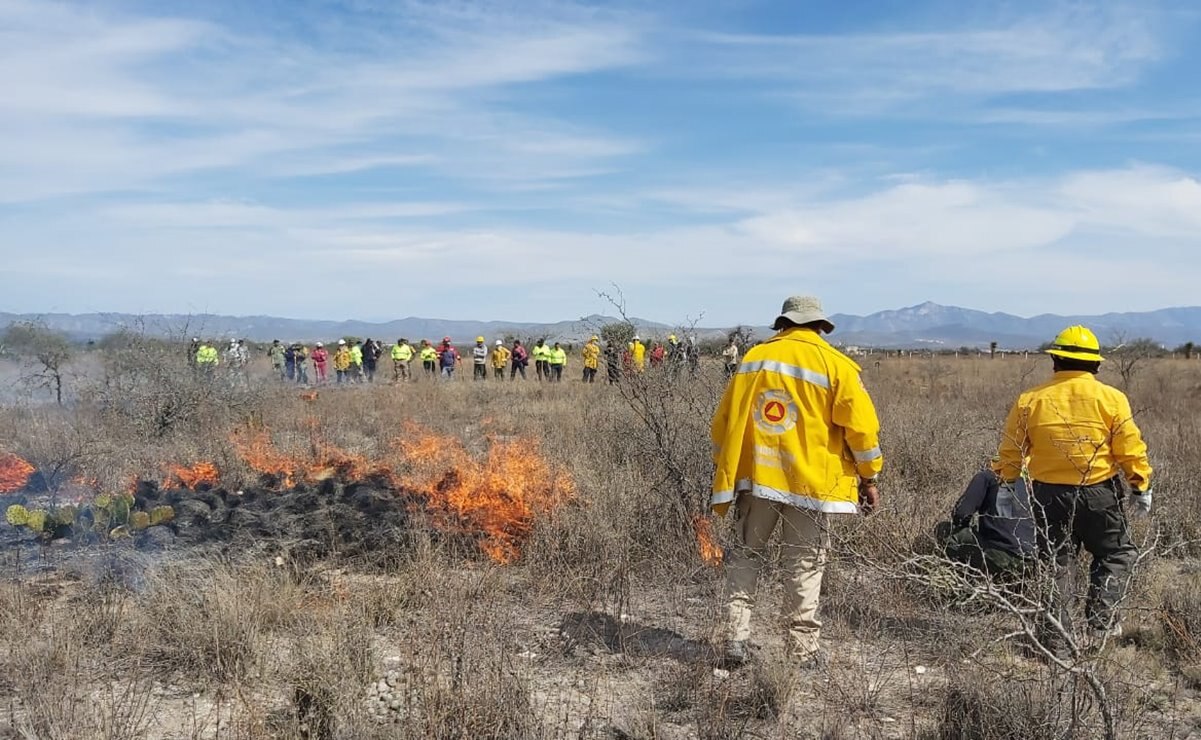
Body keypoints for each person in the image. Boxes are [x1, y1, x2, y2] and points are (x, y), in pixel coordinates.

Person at [710, 295, 883, 669]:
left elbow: (722, 424)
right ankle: (802, 651)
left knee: (745, 555)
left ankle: (736, 640)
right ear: (821, 327)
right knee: (805, 563)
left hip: (757, 481)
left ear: (783, 324)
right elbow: (863, 433)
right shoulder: (837, 366)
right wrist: (869, 478)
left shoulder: (753, 361)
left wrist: (732, 467)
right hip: (812, 487)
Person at [993, 325, 1152, 645]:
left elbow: (1011, 449)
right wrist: (1140, 485)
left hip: (1047, 495)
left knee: (1057, 563)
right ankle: (1101, 626)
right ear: (1096, 364)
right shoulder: (1112, 399)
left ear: (1055, 361)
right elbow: (1129, 448)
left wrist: (1006, 486)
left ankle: (1054, 642)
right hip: (1098, 493)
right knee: (1116, 554)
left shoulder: (1030, 400)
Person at [935, 468, 1036, 577]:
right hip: (1032, 564)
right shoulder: (1034, 481)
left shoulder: (988, 476)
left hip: (1001, 558)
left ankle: (967, 577)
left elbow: (961, 514)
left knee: (944, 530)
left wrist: (969, 529)